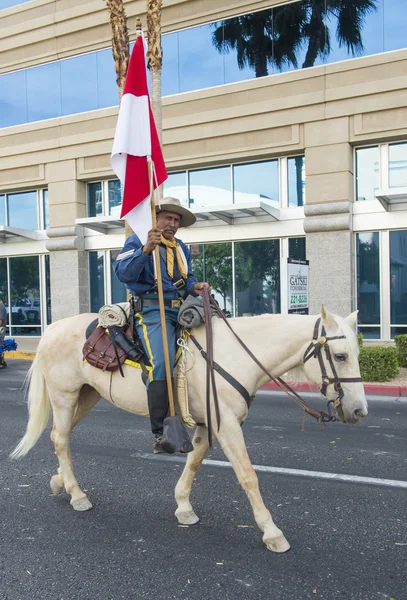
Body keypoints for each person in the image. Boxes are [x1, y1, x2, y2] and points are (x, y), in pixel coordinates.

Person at [114, 197, 210, 453]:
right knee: (162, 361)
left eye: (177, 220)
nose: (173, 223)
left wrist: (196, 286)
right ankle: (161, 433)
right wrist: (146, 249)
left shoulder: (181, 247)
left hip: (182, 308)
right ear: (156, 219)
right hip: (153, 310)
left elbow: (186, 279)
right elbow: (124, 275)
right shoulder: (137, 240)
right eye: (168, 217)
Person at [0, 299, 7, 368]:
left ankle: (1, 362)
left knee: (0, 344)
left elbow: (0, 321)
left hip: (0, 329)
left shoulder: (0, 306)